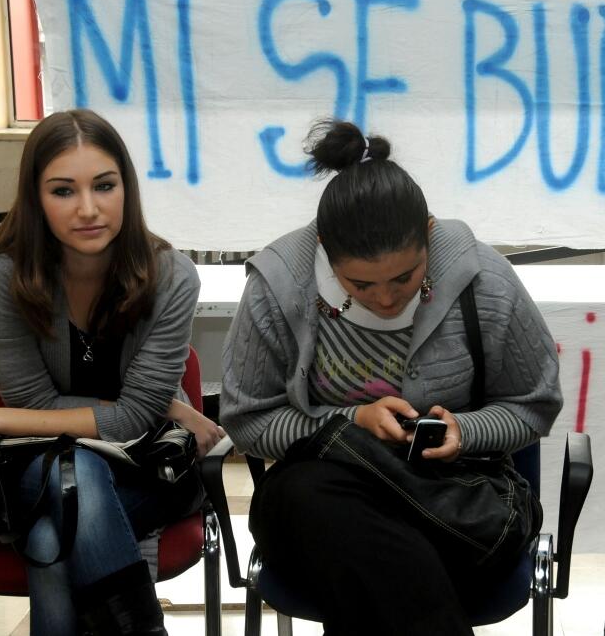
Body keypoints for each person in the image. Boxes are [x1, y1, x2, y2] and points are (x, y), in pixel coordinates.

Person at [220, 119, 562, 635]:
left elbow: (535, 403)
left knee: (343, 542)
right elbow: (248, 422)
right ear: (323, 252)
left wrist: (465, 432)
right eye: (358, 283)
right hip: (334, 501)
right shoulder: (280, 287)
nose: (384, 298)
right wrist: (350, 421)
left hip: (453, 503)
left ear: (428, 234)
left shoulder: (483, 279)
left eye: (405, 277)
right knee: (311, 496)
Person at [0, 109, 223, 636]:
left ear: (127, 187)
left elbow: (132, 423)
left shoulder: (171, 276)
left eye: (104, 185)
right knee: (71, 478)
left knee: (54, 523)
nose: (88, 209)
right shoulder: (3, 275)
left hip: (149, 470)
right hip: (40, 467)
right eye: (62, 191)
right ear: (35, 198)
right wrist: (141, 405)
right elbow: (44, 406)